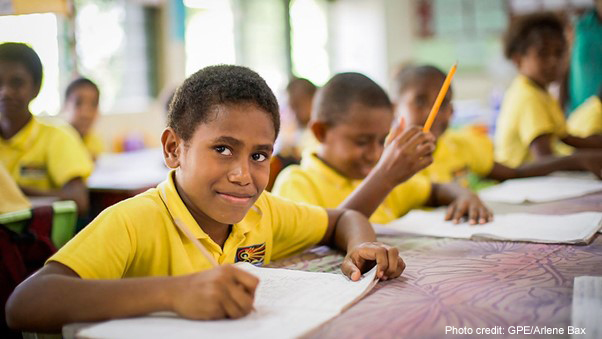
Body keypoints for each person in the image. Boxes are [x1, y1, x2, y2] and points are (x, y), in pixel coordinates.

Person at [6, 65, 404, 333]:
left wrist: (361, 244)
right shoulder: (133, 221)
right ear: (174, 148)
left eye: (259, 155)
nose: (242, 175)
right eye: (223, 149)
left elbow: (342, 219)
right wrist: (173, 293)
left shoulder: (262, 213)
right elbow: (25, 303)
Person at [273, 72, 493, 225]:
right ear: (321, 132)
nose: (376, 154)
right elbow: (326, 233)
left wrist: (464, 195)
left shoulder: (375, 175)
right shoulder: (298, 184)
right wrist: (384, 178)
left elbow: (434, 190)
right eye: (361, 142)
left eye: (381, 140)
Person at [392, 65, 602, 184]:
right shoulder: (386, 157)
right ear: (395, 107)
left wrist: (577, 160)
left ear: (453, 111)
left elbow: (515, 172)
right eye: (420, 101)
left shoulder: (462, 145)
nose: (433, 112)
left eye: (443, 103)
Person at [495, 12, 602, 168]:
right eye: (543, 54)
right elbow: (544, 158)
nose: (553, 62)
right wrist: (584, 160)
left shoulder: (543, 93)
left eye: (559, 53)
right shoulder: (527, 96)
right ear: (518, 60)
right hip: (517, 183)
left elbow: (569, 139)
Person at [0, 42, 92, 214]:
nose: (5, 92)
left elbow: (79, 201)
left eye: (17, 83)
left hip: (34, 237)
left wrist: (15, 192)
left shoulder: (58, 137)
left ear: (35, 88)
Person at [63, 77, 104, 160]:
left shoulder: (94, 142)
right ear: (65, 106)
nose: (86, 114)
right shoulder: (58, 141)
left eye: (93, 104)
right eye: (78, 103)